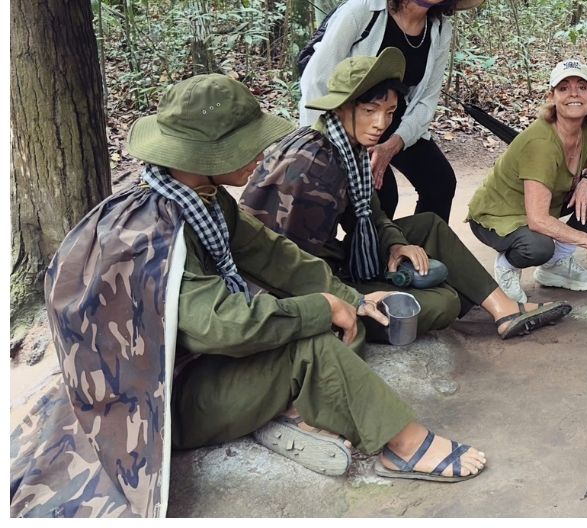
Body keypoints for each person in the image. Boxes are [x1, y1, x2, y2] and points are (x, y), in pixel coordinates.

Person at [12, 76, 483, 518]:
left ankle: (277, 411)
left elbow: (275, 254)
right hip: (156, 403)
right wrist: (319, 308)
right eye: (249, 143)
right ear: (208, 153)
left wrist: (347, 299)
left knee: (342, 331)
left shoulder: (202, 199)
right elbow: (223, 325)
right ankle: (404, 445)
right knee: (312, 349)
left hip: (192, 367)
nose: (263, 152)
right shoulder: (150, 233)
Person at [243, 49, 569, 340]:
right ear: (341, 107)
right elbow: (286, 266)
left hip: (324, 260)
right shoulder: (315, 166)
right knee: (444, 302)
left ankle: (504, 309)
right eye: (370, 110)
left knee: (427, 224)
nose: (381, 123)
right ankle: (476, 298)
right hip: (304, 284)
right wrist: (350, 300)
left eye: (389, 112)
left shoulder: (348, 149)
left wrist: (396, 244)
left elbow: (370, 216)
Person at [299, 0, 485, 222]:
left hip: (394, 115)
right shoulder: (363, 10)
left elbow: (425, 100)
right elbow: (316, 79)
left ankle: (424, 256)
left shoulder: (438, 28)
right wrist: (322, 145)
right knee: (382, 195)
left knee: (440, 183)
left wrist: (392, 145)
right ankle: (371, 260)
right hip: (347, 116)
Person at [467, 59, 587, 302]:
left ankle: (555, 266)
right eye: (563, 88)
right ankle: (507, 267)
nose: (573, 94)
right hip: (497, 218)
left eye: (582, 87)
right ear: (552, 97)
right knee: (539, 245)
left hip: (539, 209)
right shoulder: (542, 144)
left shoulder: (585, 128)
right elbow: (537, 220)